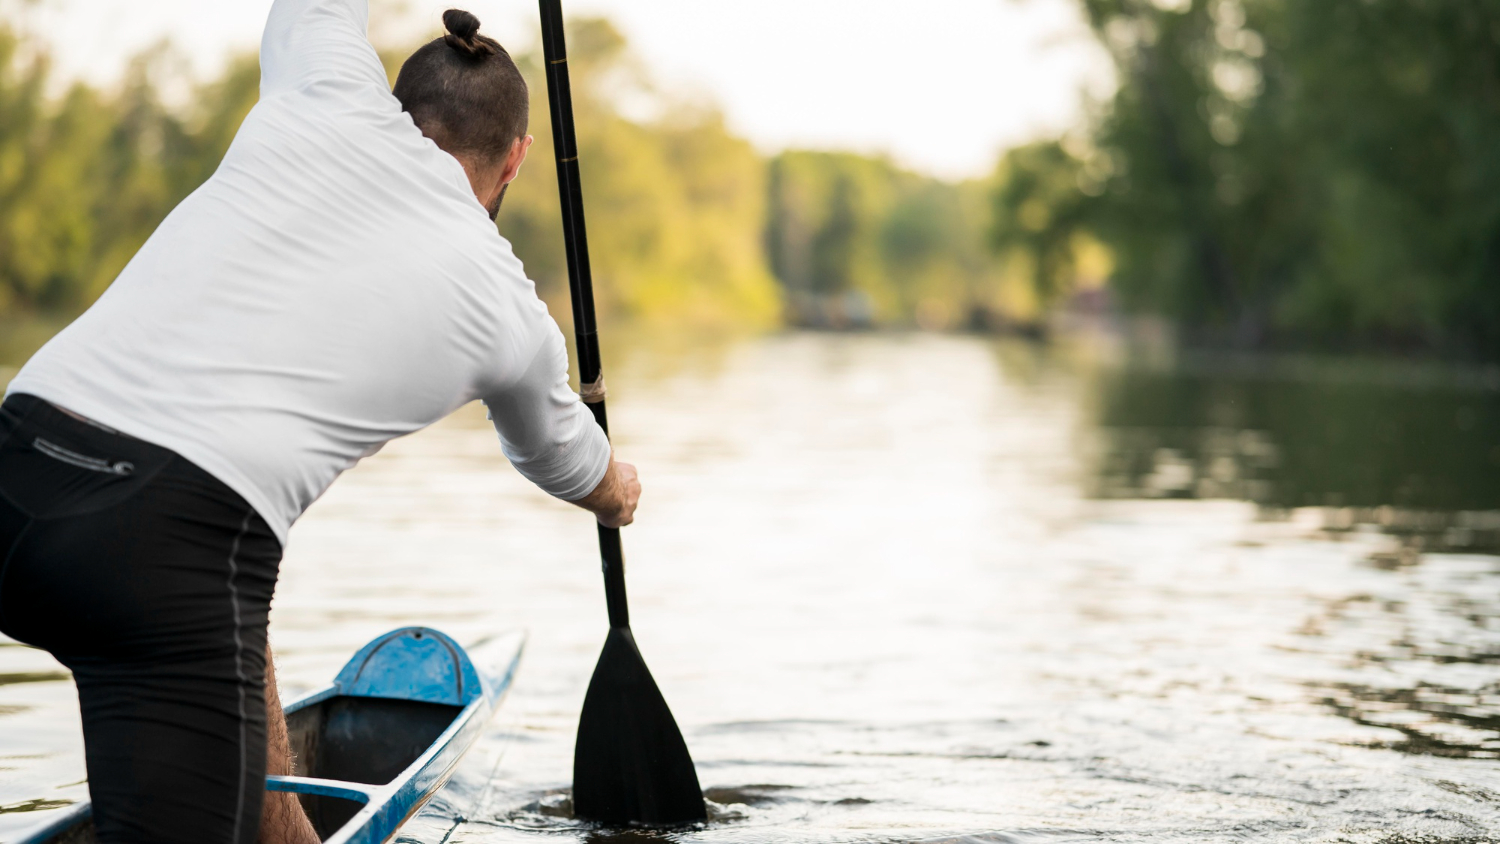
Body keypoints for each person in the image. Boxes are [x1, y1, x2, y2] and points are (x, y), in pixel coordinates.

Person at [0, 2, 636, 842]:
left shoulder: (322, 83)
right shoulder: (511, 313)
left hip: (19, 458)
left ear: (404, 109)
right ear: (517, 158)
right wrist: (617, 491)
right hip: (160, 558)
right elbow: (570, 465)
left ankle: (286, 824)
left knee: (246, 594)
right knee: (231, 568)